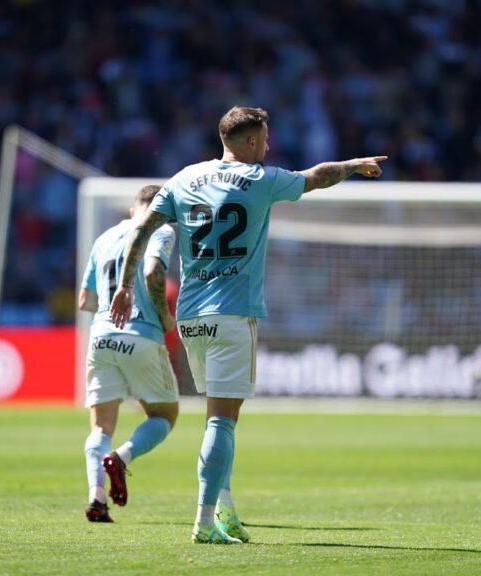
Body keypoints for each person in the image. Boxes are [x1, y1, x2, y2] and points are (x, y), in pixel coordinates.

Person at [109, 106, 387, 543]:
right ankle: (203, 525)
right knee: (222, 423)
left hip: (191, 316)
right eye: (266, 139)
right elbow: (316, 176)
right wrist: (353, 166)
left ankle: (226, 511)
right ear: (252, 141)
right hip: (233, 313)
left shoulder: (183, 179)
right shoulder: (261, 180)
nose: (270, 146)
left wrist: (125, 286)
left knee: (214, 419)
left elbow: (141, 229)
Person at [78, 184, 179, 523]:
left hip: (101, 336)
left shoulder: (104, 238)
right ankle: (121, 458)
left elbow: (84, 302)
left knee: (100, 428)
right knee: (165, 416)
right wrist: (164, 315)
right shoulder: (161, 229)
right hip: (141, 334)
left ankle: (96, 497)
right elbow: (152, 272)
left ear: (133, 207)